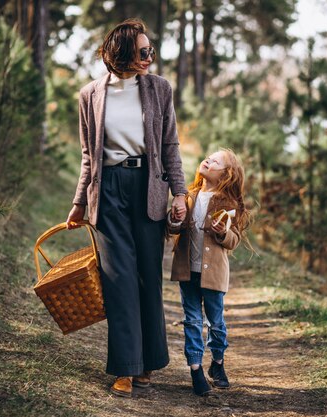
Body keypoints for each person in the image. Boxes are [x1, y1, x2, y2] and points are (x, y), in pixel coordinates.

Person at [66, 19, 188, 398]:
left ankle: (148, 361)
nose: (149, 57)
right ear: (120, 54)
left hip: (149, 187)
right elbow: (89, 155)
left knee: (146, 276)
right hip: (109, 190)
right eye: (143, 51)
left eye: (150, 51)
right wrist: (78, 203)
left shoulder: (159, 89)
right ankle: (125, 367)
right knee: (118, 278)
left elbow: (170, 146)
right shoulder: (90, 95)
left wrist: (180, 193)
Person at [167, 149, 251, 396]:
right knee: (192, 320)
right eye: (208, 157)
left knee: (216, 323)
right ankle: (195, 369)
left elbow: (233, 240)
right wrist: (174, 219)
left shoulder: (229, 205)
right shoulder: (188, 197)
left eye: (215, 161)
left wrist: (222, 232)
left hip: (213, 275)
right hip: (187, 271)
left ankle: (217, 363)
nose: (208, 160)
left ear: (226, 174)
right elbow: (173, 228)